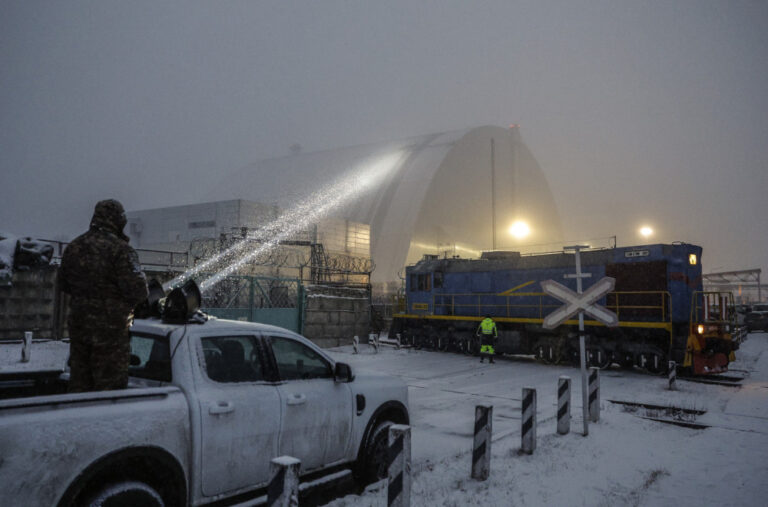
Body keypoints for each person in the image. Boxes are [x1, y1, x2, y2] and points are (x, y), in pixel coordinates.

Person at [60, 199, 148, 392]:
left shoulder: (74, 247)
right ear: (117, 220)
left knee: (80, 384)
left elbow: (63, 285)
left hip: (79, 328)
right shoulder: (121, 250)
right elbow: (139, 291)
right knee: (109, 390)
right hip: (111, 333)